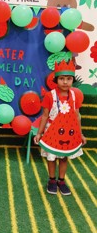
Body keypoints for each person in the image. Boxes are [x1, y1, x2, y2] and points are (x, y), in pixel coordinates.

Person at [34, 60, 86, 196]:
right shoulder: (49, 96)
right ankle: (52, 180)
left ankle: (61, 181)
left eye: (68, 79)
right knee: (51, 157)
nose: (65, 82)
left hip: (68, 132)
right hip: (51, 131)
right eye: (62, 78)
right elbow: (45, 116)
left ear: (72, 80)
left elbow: (77, 117)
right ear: (56, 80)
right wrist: (39, 133)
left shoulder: (75, 96)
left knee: (64, 158)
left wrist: (80, 134)